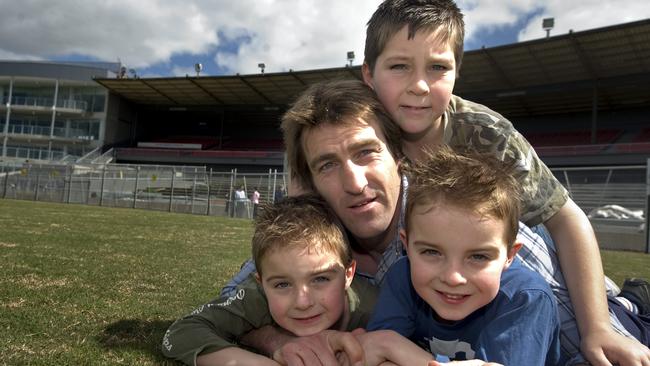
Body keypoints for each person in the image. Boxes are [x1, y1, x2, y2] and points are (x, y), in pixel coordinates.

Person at [219, 80, 650, 365]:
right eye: (327, 165)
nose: (354, 182)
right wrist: (282, 343)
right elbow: (237, 300)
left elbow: (582, 341)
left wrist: (601, 331)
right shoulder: (314, 235)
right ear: (309, 183)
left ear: (399, 157)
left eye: (367, 152)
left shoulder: (465, 222)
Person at [359, 1, 650, 364]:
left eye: (438, 67)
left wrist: (598, 327)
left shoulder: (486, 134)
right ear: (369, 74)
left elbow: (567, 219)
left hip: (527, 276)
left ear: (457, 72)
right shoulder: (354, 137)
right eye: (399, 66)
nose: (419, 85)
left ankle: (628, 306)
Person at [360, 146, 562, 365]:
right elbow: (373, 356)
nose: (453, 278)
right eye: (431, 252)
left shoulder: (525, 298)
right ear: (406, 245)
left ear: (510, 255)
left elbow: (381, 347)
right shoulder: (402, 276)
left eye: (478, 257)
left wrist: (390, 344)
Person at [161, 195, 378, 365]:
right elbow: (181, 332)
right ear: (262, 283)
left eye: (320, 279)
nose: (303, 302)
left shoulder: (375, 307)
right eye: (282, 284)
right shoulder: (257, 297)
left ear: (348, 274)